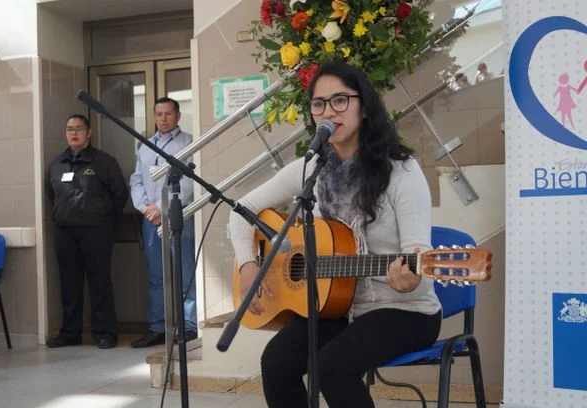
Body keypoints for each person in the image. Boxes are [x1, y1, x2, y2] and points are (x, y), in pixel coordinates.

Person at [228, 62, 442, 407]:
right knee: (276, 362)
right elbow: (240, 211)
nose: (329, 111)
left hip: (404, 309)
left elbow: (419, 254)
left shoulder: (400, 170)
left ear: (364, 107)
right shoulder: (311, 168)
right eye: (319, 104)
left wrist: (412, 280)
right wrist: (247, 266)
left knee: (331, 368)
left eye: (340, 100)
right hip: (337, 307)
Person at [45, 114, 128, 349]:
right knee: (69, 284)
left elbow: (119, 195)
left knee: (99, 282)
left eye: (79, 128)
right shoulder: (56, 163)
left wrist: (101, 217)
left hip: (96, 230)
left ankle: (105, 333)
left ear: (89, 133)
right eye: (69, 129)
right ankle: (70, 332)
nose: (74, 133)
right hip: (65, 231)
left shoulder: (104, 162)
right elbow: (51, 193)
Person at [129, 97, 197, 348]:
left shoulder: (188, 142)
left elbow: (189, 183)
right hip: (150, 219)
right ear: (154, 116)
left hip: (179, 217)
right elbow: (136, 180)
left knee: (185, 272)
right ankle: (157, 327)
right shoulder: (145, 146)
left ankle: (189, 326)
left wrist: (162, 207)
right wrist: (145, 207)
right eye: (159, 114)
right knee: (157, 276)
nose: (163, 118)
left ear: (178, 116)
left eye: (168, 114)